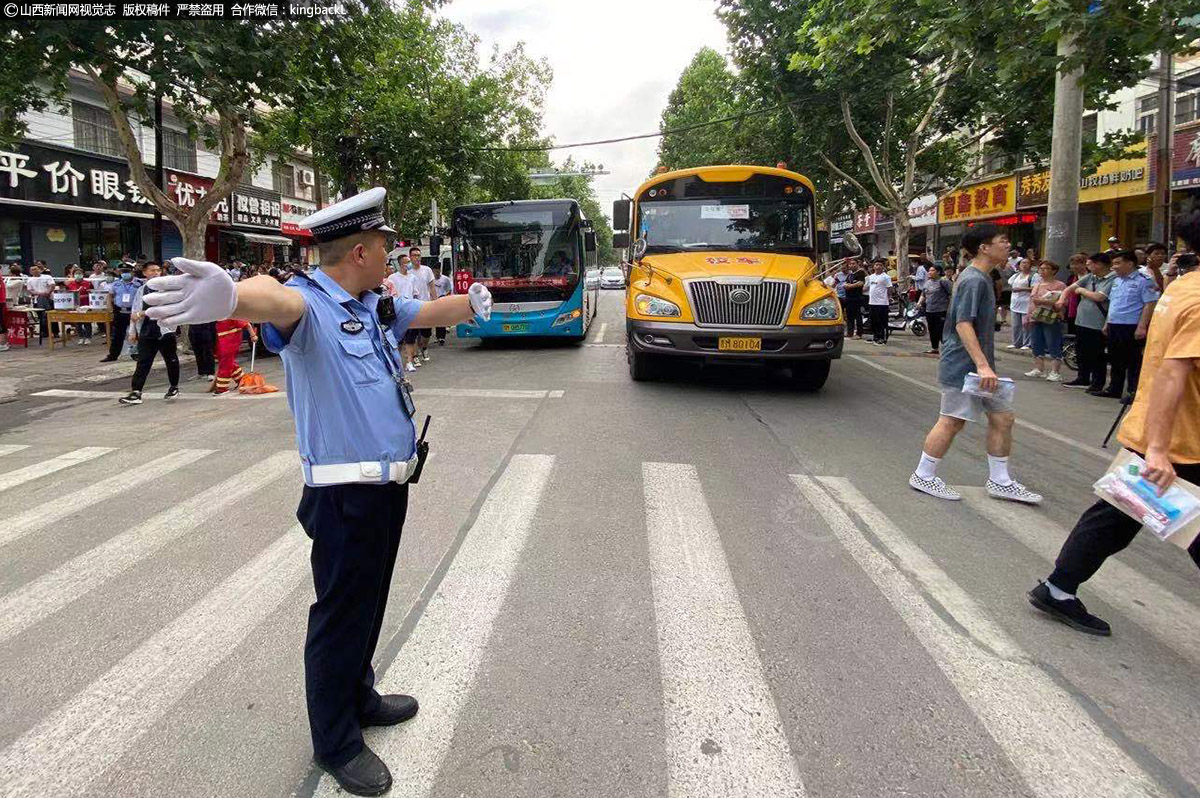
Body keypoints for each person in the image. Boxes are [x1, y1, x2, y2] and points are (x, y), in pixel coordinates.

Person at [140, 186, 493, 796]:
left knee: (371, 602)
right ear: (359, 251)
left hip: (389, 488)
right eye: (385, 246)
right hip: (344, 499)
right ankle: (336, 742)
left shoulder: (372, 305)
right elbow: (271, 300)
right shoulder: (308, 306)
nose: (393, 255)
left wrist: (474, 302)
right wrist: (228, 294)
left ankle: (359, 696)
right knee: (339, 616)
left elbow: (428, 315)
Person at [1028, 210, 1200, 636]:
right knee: (1127, 518)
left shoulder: (1182, 288)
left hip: (1162, 431)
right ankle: (1059, 586)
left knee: (1114, 517)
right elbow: (1175, 373)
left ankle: (1059, 586)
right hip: (1177, 439)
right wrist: (1159, 449)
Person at [908, 223, 1042, 504]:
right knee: (952, 420)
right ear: (984, 247)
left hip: (979, 366)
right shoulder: (973, 280)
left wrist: (985, 365)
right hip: (963, 366)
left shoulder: (983, 278)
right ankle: (924, 474)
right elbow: (962, 323)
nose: (1008, 246)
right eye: (1003, 241)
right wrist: (982, 365)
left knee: (1003, 417)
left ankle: (1000, 480)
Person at [1100, 249, 1160, 400]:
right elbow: (1113, 303)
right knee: (1115, 358)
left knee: (1133, 361)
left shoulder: (1143, 281)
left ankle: (1133, 391)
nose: (1114, 266)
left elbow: (1149, 304)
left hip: (1131, 325)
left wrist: (1142, 326)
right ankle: (1114, 388)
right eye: (1113, 263)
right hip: (1115, 324)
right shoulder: (1117, 281)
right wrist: (1107, 323)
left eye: (1118, 263)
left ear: (1130, 263)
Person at [119, 263, 180, 405]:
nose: (156, 273)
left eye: (158, 270)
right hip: (147, 328)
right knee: (143, 361)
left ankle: (174, 387)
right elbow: (135, 311)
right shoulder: (141, 290)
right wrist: (132, 331)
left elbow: (164, 309)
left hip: (165, 329)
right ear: (145, 273)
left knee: (170, 359)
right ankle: (136, 392)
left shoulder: (167, 290)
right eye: (152, 270)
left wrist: (143, 313)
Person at [1058, 252, 1115, 392]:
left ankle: (1098, 382)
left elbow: (1099, 297)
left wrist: (1082, 290)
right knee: (1082, 351)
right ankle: (1082, 377)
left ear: (1100, 264)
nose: (1088, 267)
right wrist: (1062, 299)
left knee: (1097, 353)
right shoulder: (1091, 277)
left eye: (1090, 264)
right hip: (1081, 320)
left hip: (1098, 322)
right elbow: (1070, 288)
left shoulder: (1112, 279)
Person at [1025, 260, 1067, 382]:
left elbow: (1063, 302)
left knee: (1053, 342)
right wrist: (1028, 316)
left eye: (1046, 268)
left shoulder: (1060, 285)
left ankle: (1055, 371)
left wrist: (1044, 302)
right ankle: (1039, 368)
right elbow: (1032, 301)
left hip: (1051, 316)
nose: (1042, 271)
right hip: (1036, 316)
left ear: (1053, 270)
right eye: (1041, 269)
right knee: (1036, 342)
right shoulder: (1037, 284)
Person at [101, 265, 141, 362]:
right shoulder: (116, 284)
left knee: (135, 333)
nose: (125, 274)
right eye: (123, 272)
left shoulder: (139, 283)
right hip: (120, 311)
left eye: (127, 271)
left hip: (133, 311)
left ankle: (136, 353)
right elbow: (110, 295)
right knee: (117, 335)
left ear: (132, 272)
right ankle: (113, 355)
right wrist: (109, 307)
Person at [387, 255, 419, 373]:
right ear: (401, 264)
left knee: (410, 339)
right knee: (398, 340)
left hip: (409, 310)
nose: (409, 264)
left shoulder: (412, 277)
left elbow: (415, 293)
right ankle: (397, 362)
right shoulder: (392, 278)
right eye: (407, 262)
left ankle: (409, 362)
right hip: (397, 311)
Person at [213, 317, 254, 395]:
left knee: (226, 364)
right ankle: (241, 380)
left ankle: (222, 388)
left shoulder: (230, 313)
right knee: (227, 362)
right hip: (221, 340)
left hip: (230, 340)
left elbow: (246, 323)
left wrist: (253, 335)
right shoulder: (218, 314)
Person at [917, 264, 952, 354]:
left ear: (938, 272)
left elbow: (951, 294)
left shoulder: (943, 281)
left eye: (932, 270)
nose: (929, 272)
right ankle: (934, 348)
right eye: (929, 271)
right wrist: (919, 303)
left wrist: (950, 307)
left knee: (941, 330)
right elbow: (923, 294)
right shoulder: (927, 283)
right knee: (932, 330)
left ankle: (947, 348)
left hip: (941, 310)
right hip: (929, 310)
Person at [409, 247, 435, 363]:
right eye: (414, 255)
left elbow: (432, 286)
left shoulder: (427, 270)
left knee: (426, 333)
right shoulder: (407, 271)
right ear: (410, 257)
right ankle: (414, 355)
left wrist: (435, 301)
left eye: (419, 255)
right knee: (413, 332)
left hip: (426, 305)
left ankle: (424, 347)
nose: (417, 257)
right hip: (412, 306)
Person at [1005, 258, 1036, 350]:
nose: (1024, 265)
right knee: (1016, 325)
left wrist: (1022, 289)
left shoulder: (1034, 276)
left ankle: (1027, 343)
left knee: (1026, 324)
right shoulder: (1016, 276)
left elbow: (1035, 288)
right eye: (1022, 263)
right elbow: (1010, 284)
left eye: (1026, 263)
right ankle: (1016, 342)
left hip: (1027, 303)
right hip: (1015, 302)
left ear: (1030, 265)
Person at [26, 263, 56, 343]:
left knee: (52, 316)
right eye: (32, 270)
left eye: (36, 269)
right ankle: (45, 332)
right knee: (41, 317)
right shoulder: (29, 280)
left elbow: (52, 285)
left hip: (49, 299)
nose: (34, 271)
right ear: (30, 272)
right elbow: (30, 290)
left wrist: (47, 292)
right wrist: (40, 294)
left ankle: (55, 332)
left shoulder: (47, 277)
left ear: (39, 270)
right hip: (37, 300)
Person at [64, 265, 94, 346]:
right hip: (75, 306)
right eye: (76, 273)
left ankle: (88, 337)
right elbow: (68, 294)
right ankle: (81, 337)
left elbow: (91, 293)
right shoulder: (70, 284)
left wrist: (83, 296)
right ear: (73, 275)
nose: (78, 275)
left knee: (87, 322)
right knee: (78, 323)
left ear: (83, 274)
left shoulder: (88, 283)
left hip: (86, 305)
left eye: (80, 273)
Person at [865, 260, 893, 345]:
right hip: (872, 302)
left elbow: (889, 288)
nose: (878, 266)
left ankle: (882, 338)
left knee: (881, 321)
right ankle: (875, 337)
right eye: (876, 265)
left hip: (882, 303)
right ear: (873, 267)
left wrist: (888, 297)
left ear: (883, 267)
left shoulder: (885, 277)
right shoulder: (871, 277)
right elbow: (868, 287)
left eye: (880, 265)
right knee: (874, 321)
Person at [842, 258, 866, 339]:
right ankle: (850, 333)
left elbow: (861, 283)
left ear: (857, 264)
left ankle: (859, 333)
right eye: (850, 264)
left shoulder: (860, 273)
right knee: (849, 316)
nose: (852, 265)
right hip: (848, 298)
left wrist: (850, 286)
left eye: (853, 263)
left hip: (857, 298)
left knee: (858, 316)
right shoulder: (850, 275)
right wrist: (847, 285)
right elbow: (844, 284)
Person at [432, 265, 453, 345]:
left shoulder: (445, 279)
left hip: (442, 300)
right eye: (435, 271)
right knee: (436, 320)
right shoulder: (430, 280)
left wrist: (445, 297)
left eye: (438, 271)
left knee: (442, 319)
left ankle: (442, 338)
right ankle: (438, 337)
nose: (436, 273)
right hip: (433, 301)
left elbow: (449, 290)